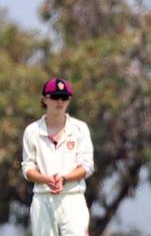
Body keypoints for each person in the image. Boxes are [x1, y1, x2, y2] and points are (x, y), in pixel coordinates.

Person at [21, 78, 95, 236]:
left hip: (73, 197)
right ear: (45, 99)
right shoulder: (32, 131)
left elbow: (87, 166)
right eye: (55, 97)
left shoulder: (80, 129)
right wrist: (47, 180)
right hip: (43, 198)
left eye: (64, 97)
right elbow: (27, 168)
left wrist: (65, 178)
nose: (60, 101)